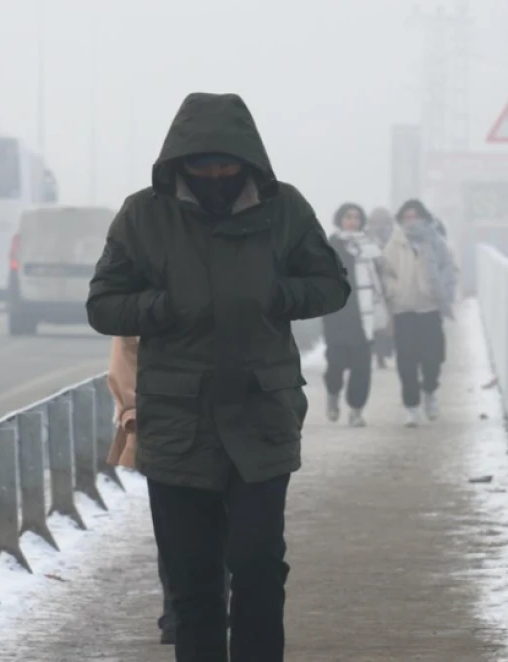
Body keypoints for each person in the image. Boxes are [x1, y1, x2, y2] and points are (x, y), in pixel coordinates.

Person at [87, 92, 351, 662]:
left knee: (258, 562)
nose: (214, 175)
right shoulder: (143, 215)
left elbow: (332, 285)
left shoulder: (285, 210)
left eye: (226, 164)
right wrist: (161, 307)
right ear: (178, 161)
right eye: (201, 165)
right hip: (178, 420)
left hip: (261, 416)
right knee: (191, 576)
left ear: (248, 160)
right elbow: (104, 305)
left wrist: (275, 294)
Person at [106, 336, 229, 646]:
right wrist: (131, 410)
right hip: (168, 425)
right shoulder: (152, 291)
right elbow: (127, 348)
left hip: (230, 420)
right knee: (179, 531)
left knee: (226, 527)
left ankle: (208, 612)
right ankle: (178, 613)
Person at [382, 199, 457, 427]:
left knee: (433, 359)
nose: (411, 220)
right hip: (404, 311)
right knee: (406, 362)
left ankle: (430, 391)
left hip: (430, 309)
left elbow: (449, 269)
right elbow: (386, 273)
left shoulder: (436, 242)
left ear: (424, 217)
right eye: (407, 216)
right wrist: (395, 291)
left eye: (415, 216)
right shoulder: (395, 243)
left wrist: (441, 291)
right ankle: (412, 407)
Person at [322, 203, 389, 427]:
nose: (352, 221)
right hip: (337, 315)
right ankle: (333, 395)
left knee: (362, 367)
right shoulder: (330, 245)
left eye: (356, 217)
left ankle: (356, 410)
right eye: (348, 217)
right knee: (335, 366)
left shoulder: (371, 248)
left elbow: (380, 281)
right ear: (340, 219)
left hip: (364, 316)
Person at [367, 207, 396, 368]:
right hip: (373, 285)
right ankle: (379, 354)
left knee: (388, 323)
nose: (379, 225)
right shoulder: (366, 238)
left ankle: (384, 352)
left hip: (389, 284)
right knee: (377, 322)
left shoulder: (394, 237)